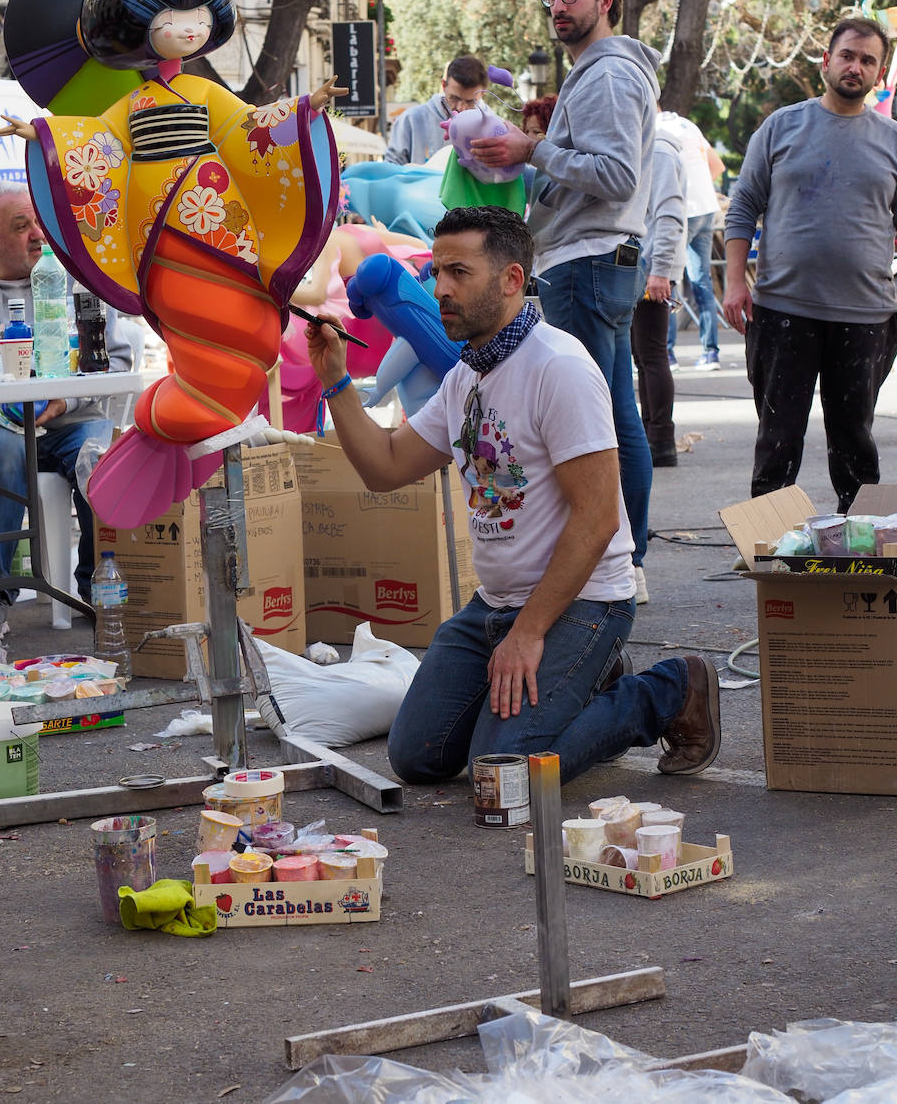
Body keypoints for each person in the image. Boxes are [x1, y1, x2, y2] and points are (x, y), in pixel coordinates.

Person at [304, 205, 722, 786]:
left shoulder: (558, 367)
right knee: (417, 756)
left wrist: (529, 634)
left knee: (504, 774)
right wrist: (335, 381)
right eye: (436, 272)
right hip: (496, 606)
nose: (440, 289)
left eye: (459, 273)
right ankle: (578, 684)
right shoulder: (465, 375)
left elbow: (598, 520)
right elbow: (386, 466)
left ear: (511, 280)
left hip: (583, 601)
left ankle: (666, 691)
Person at [0, 0, 343, 528]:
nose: (187, 28)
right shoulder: (130, 108)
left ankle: (193, 407)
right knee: (191, 317)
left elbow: (250, 131)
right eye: (170, 16)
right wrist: (45, 137)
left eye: (198, 15)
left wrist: (302, 110)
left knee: (236, 314)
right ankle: (180, 406)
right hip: (159, 227)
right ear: (136, 25)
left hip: (216, 215)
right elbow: (97, 143)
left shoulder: (206, 93)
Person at [467, 0, 661, 606]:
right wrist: (529, 170)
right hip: (591, 259)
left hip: (588, 262)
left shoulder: (605, 74)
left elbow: (614, 176)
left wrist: (532, 150)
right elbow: (595, 175)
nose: (557, 5)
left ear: (606, 0)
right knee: (611, 414)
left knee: (597, 423)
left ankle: (613, 568)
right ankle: (620, 563)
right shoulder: (598, 73)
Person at [723, 16, 897, 511]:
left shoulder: (894, 139)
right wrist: (735, 283)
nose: (855, 67)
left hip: (865, 319)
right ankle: (770, 557)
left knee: (855, 447)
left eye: (867, 60)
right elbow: (743, 206)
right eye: (847, 55)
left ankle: (858, 551)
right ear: (827, 61)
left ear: (880, 75)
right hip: (782, 314)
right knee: (777, 442)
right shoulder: (781, 126)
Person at [0, 179, 134, 640]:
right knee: (2, 453)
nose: (38, 235)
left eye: (39, 222)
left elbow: (120, 359)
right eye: (21, 225)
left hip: (71, 421)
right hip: (4, 427)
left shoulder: (78, 278)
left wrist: (66, 399)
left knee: (100, 451)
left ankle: (96, 590)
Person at [631, 119, 686, 468]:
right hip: (642, 266)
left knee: (652, 355)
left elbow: (669, 215)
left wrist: (660, 270)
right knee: (643, 356)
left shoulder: (661, 151)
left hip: (653, 269)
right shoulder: (647, 147)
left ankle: (662, 438)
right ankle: (653, 433)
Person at [659, 111, 725, 370]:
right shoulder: (688, 125)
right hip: (707, 208)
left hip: (682, 211)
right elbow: (717, 166)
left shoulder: (653, 129)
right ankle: (710, 353)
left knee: (668, 278)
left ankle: (667, 353)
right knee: (702, 281)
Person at [384, 54, 488, 166]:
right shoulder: (411, 119)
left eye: (470, 101)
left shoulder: (492, 126)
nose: (460, 107)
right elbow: (391, 168)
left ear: (483, 93)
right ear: (443, 85)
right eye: (454, 98)